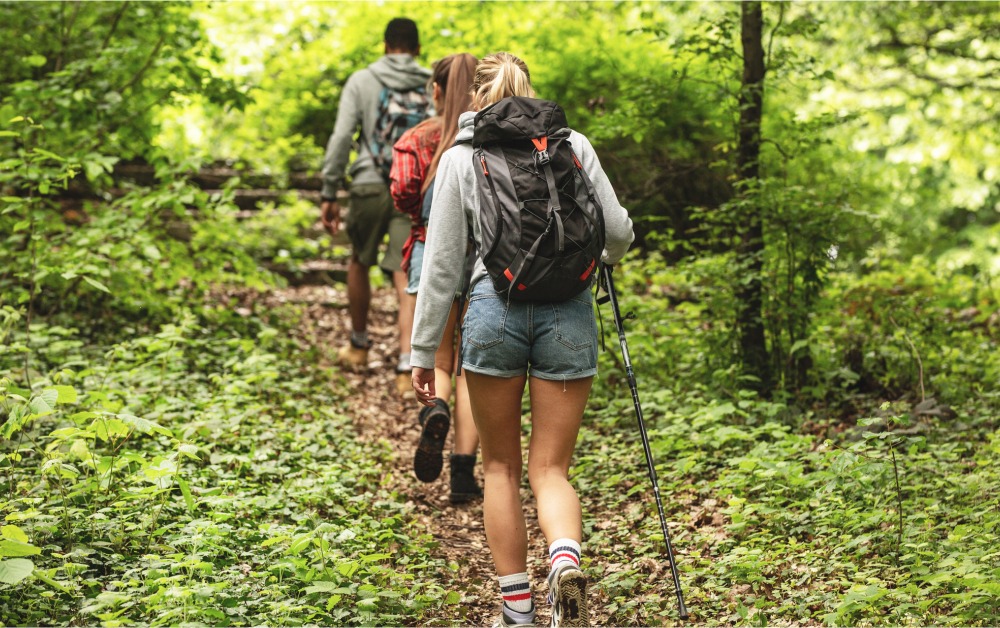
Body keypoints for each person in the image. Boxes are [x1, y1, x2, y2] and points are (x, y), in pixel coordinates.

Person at [410, 53, 634, 627]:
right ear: (530, 88)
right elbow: (617, 233)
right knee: (552, 470)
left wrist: (422, 352)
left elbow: (441, 269)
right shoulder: (573, 145)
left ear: (474, 98)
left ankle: (517, 613)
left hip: (494, 313)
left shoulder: (463, 156)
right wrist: (598, 259)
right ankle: (564, 559)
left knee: (502, 469)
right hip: (570, 315)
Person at [319, 17, 431, 396]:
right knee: (406, 272)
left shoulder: (362, 80)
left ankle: (358, 345)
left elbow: (340, 137)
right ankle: (405, 367)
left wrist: (329, 190)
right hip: (413, 184)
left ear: (385, 46)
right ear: (417, 48)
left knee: (359, 260)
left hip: (368, 181)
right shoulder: (432, 81)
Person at [389, 53, 481, 503]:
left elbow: (402, 192)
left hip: (432, 253)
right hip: (485, 261)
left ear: (437, 90)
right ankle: (464, 473)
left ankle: (434, 412)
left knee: (439, 361)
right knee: (471, 370)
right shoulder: (492, 140)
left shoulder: (418, 138)